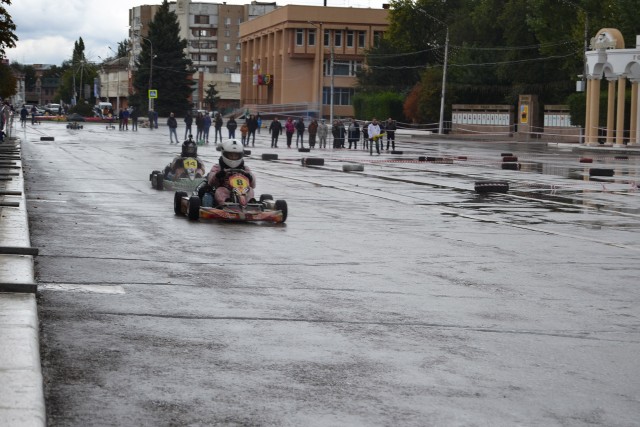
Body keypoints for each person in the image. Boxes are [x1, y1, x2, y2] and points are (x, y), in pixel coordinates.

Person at [206, 139, 256, 207]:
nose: (233, 158)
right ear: (224, 154)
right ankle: (226, 202)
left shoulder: (245, 168)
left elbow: (253, 185)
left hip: (243, 191)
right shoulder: (217, 167)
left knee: (250, 189)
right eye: (231, 155)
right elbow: (210, 182)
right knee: (220, 190)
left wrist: (250, 177)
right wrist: (218, 175)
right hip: (226, 191)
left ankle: (251, 203)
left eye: (236, 156)